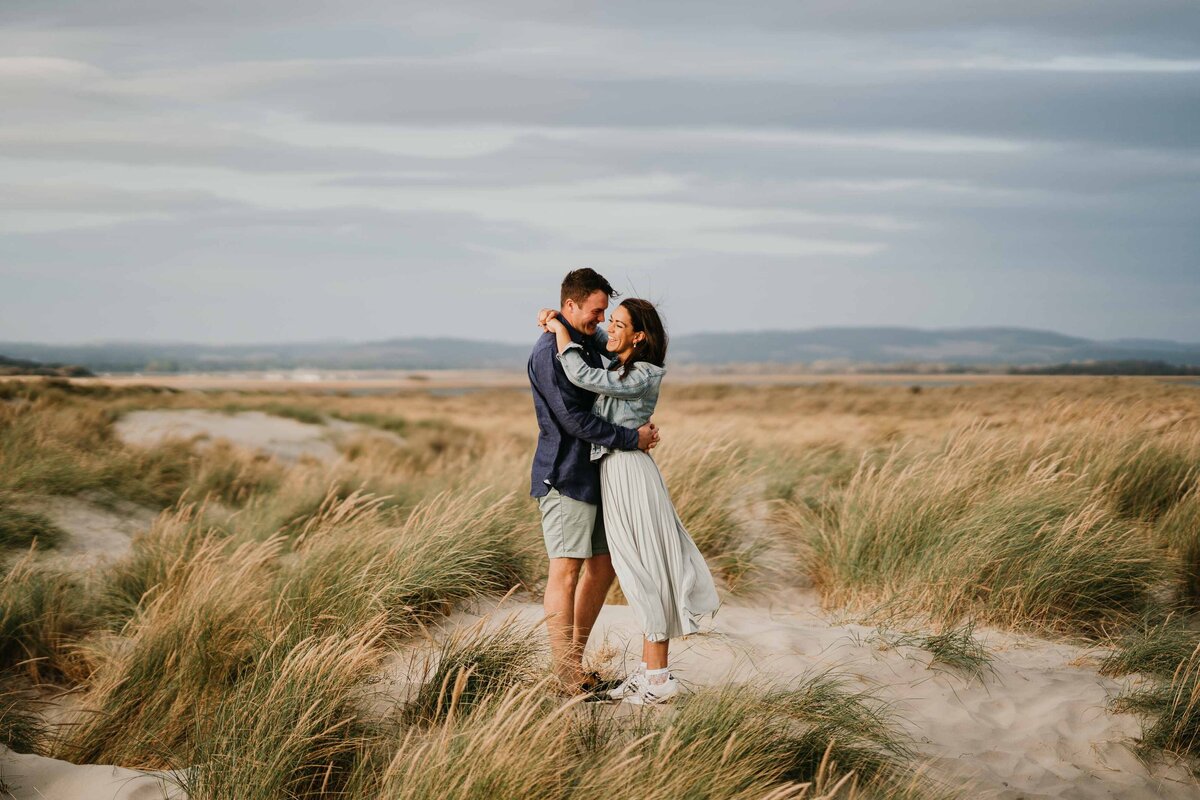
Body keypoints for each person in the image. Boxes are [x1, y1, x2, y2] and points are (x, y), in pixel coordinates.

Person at [542, 298, 720, 705]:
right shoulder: (626, 359)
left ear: (639, 336)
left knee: (646, 569)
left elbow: (583, 375)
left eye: (619, 323)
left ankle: (657, 680)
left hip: (629, 474)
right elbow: (600, 339)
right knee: (637, 569)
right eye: (609, 321)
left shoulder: (640, 373)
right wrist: (554, 315)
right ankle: (649, 673)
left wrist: (559, 330)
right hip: (617, 471)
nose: (609, 328)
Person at [527, 269, 660, 695]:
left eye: (606, 312)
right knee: (565, 572)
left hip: (599, 474)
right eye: (596, 311)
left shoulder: (584, 339)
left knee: (601, 568)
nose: (601, 319)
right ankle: (564, 674)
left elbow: (612, 371)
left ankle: (574, 664)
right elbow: (573, 418)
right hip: (565, 474)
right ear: (572, 305)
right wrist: (631, 438)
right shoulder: (550, 351)